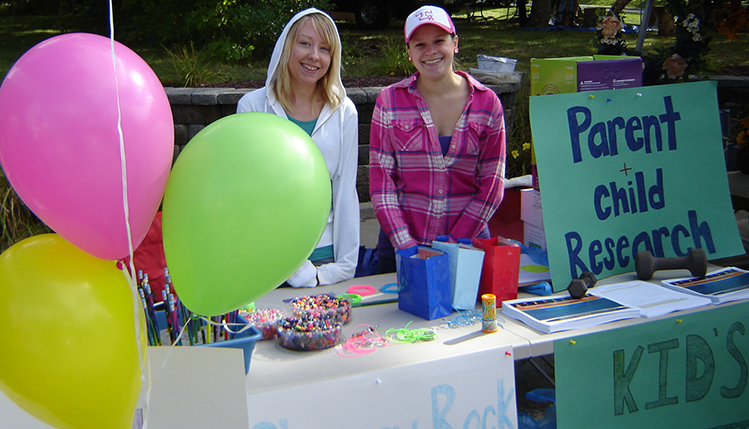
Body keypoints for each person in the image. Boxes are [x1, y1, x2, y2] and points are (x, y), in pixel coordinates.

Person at [369, 5, 507, 273]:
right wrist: (405, 244)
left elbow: (492, 184)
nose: (430, 51)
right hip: (400, 247)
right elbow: (381, 183)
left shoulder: (488, 103)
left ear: (455, 43)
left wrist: (454, 242)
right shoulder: (389, 101)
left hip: (469, 246)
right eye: (420, 44)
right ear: (409, 53)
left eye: (439, 41)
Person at [236, 8, 360, 287]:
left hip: (325, 263)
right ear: (286, 46)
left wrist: (344, 266)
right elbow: (252, 196)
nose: (314, 55)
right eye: (305, 43)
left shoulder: (344, 112)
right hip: (269, 260)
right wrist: (290, 265)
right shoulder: (253, 107)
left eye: (324, 48)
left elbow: (345, 191)